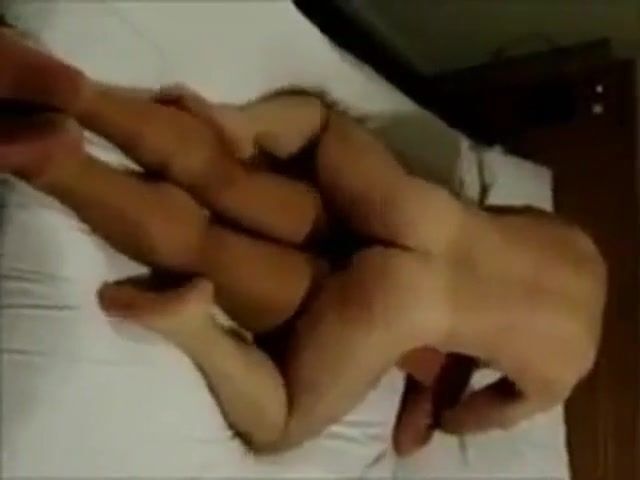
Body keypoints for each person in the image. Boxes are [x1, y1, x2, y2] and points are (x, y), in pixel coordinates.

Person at [0, 30, 606, 454]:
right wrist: (444, 383)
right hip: (404, 304)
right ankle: (71, 178)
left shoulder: (581, 248)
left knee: (237, 171)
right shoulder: (560, 377)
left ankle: (88, 98)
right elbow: (449, 422)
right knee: (278, 424)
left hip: (412, 211)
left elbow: (490, 215)